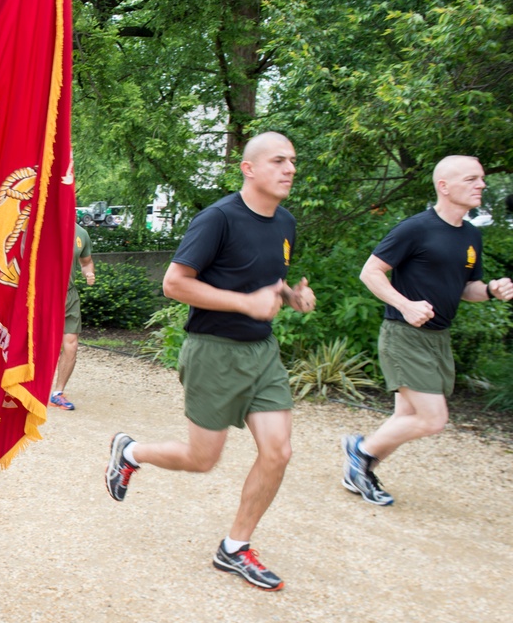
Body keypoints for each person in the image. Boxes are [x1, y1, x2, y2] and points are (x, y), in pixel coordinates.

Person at [104, 131, 315, 592]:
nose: (290, 168)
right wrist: (244, 304)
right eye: (279, 160)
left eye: (293, 161)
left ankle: (235, 548)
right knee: (203, 459)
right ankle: (131, 452)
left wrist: (290, 296)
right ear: (249, 168)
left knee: (278, 450)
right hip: (214, 351)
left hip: (262, 351)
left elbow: (266, 282)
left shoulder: (285, 223)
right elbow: (174, 284)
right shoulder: (217, 219)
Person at [341, 155, 513, 506]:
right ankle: (360, 451)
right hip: (403, 335)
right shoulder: (415, 228)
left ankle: (361, 471)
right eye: (471, 179)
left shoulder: (471, 236)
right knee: (433, 419)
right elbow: (371, 272)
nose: (481, 184)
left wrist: (492, 290)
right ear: (444, 186)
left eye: (481, 179)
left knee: (406, 416)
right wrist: (405, 304)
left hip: (438, 338)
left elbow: (468, 290)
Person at [50, 223, 95, 410]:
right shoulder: (38, 225)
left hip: (68, 296)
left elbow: (86, 262)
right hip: (41, 296)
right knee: (35, 345)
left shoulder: (81, 233)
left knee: (72, 344)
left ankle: (57, 393)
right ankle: (25, 388)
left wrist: (89, 273)